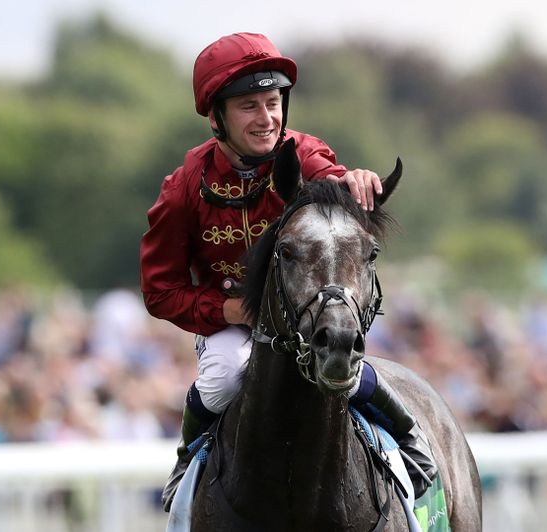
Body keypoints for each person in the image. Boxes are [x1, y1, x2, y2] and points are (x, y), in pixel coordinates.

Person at [139, 32, 436, 512]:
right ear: (217, 116)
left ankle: (409, 435)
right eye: (249, 106)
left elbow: (329, 177)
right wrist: (230, 309)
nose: (267, 119)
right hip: (232, 325)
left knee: (339, 357)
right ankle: (187, 461)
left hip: (304, 312)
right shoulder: (183, 188)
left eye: (273, 103)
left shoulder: (302, 152)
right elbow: (159, 291)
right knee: (223, 377)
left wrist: (352, 179)